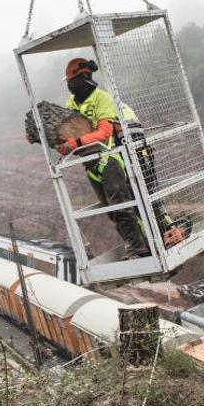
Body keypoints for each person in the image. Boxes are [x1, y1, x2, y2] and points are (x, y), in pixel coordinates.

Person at [55, 58, 151, 259]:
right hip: (90, 163)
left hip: (110, 158)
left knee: (121, 203)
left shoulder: (103, 99)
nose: (68, 85)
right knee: (111, 209)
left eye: (70, 80)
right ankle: (138, 244)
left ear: (83, 77)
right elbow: (67, 131)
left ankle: (138, 248)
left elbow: (105, 132)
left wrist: (76, 143)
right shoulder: (71, 103)